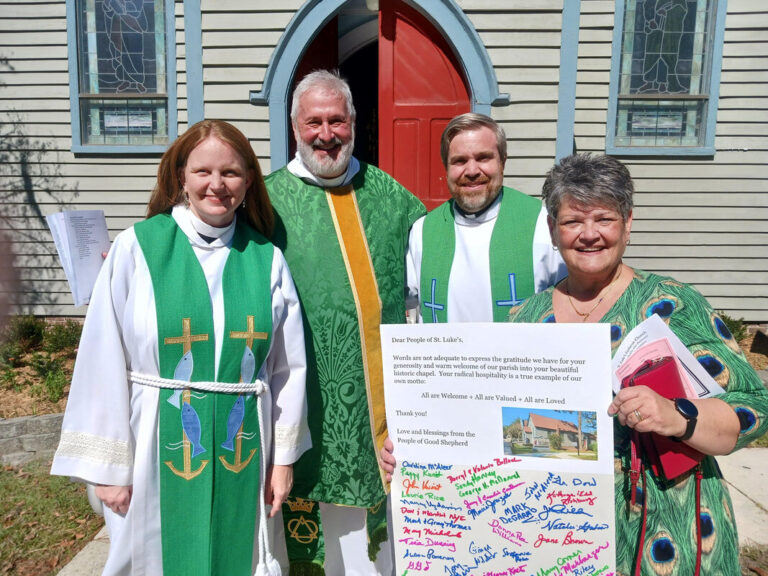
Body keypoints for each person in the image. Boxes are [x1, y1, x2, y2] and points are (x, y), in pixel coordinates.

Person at [51, 120, 311, 576]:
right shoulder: (138, 249)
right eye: (203, 171)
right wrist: (109, 467)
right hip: (154, 440)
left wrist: (282, 461)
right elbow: (102, 356)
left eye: (230, 172)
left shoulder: (266, 259)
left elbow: (287, 369)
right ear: (181, 178)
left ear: (249, 180)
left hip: (242, 447)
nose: (217, 184)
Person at [505, 153, 768, 574]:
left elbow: (754, 407)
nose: (589, 234)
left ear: (628, 223)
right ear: (553, 231)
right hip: (558, 520)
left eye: (604, 219)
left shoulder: (673, 306)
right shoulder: (525, 317)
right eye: (573, 221)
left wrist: (678, 414)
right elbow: (495, 421)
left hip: (666, 518)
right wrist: (423, 451)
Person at [265, 70, 426, 575]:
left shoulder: (391, 197)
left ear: (354, 123)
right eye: (314, 121)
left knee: (372, 558)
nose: (326, 134)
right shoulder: (263, 203)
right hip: (299, 405)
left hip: (378, 412)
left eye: (337, 120)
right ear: (295, 127)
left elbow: (430, 280)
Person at [406, 113, 566, 323]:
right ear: (446, 167)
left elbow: (573, 306)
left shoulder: (542, 223)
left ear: (503, 162)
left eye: (483, 158)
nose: (472, 171)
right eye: (459, 161)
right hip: (445, 355)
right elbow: (398, 301)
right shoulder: (423, 231)